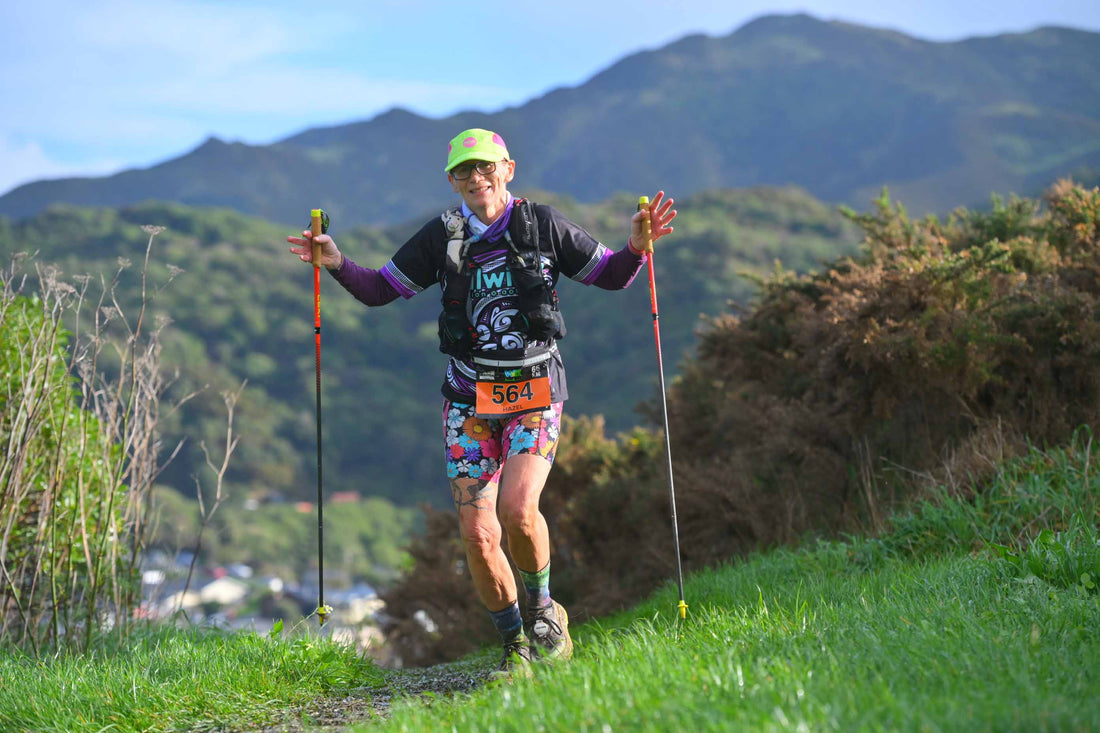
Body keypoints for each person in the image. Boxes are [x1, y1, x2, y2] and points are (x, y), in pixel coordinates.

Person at [288, 128, 675, 677]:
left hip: (535, 392)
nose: (476, 177)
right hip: (467, 399)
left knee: (518, 511)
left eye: (486, 166)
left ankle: (544, 612)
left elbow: (611, 276)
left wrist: (637, 246)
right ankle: (515, 643)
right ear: (452, 180)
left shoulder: (544, 225)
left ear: (508, 168)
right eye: (464, 170)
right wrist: (334, 261)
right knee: (477, 533)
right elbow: (380, 289)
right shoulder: (440, 237)